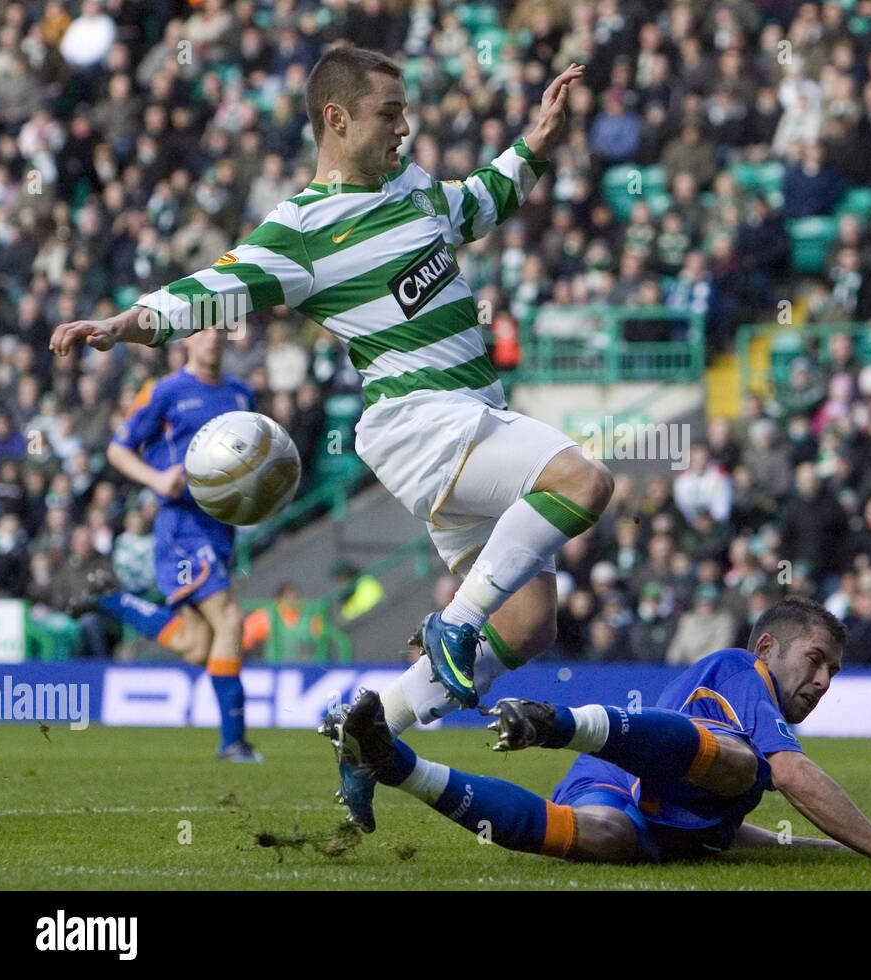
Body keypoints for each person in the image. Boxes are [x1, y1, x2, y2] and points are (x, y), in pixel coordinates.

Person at [50, 48, 612, 822]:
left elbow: (477, 203)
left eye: (407, 112)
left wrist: (536, 145)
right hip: (420, 421)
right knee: (585, 480)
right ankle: (453, 622)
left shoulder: (413, 189)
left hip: (477, 414)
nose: (406, 128)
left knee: (530, 622)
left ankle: (365, 727)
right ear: (337, 121)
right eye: (390, 114)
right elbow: (214, 289)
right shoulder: (303, 230)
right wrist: (127, 323)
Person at [322, 597, 871, 862]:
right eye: (815, 659)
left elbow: (716, 832)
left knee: (612, 837)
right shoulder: (741, 669)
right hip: (622, 764)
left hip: (618, 789)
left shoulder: (750, 708)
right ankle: (557, 721)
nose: (825, 680)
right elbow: (792, 773)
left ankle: (396, 764)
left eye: (833, 669)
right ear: (769, 646)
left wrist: (812, 849)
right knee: (750, 765)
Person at [81, 327, 262, 761]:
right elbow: (119, 450)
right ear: (185, 341)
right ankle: (233, 741)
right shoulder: (165, 391)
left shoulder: (241, 395)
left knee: (197, 645)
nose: (212, 340)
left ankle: (114, 602)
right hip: (181, 527)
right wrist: (157, 478)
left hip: (220, 527)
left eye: (220, 331)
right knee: (231, 620)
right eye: (202, 332)